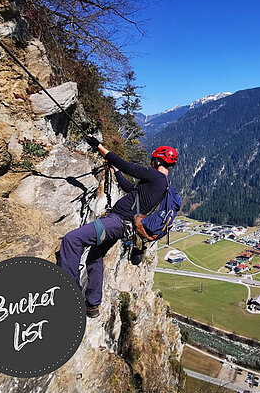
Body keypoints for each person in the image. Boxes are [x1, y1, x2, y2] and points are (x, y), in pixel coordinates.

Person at [58, 135, 178, 318]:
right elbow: (131, 189)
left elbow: (127, 165)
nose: (151, 163)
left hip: (115, 223)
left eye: (152, 160)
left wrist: (99, 146)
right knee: (94, 257)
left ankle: (68, 293)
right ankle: (92, 304)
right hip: (122, 226)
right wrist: (116, 173)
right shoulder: (162, 184)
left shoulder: (156, 176)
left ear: (157, 160)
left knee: (72, 239)